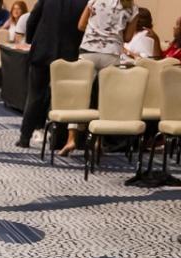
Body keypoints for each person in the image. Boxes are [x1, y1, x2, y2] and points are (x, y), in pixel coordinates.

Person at [59, 0, 139, 155]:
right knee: (105, 99)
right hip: (112, 54)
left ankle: (71, 139)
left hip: (89, 50)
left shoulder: (94, 0)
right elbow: (128, 37)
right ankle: (98, 141)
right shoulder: (132, 7)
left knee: (79, 96)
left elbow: (81, 25)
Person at [15, 0, 87, 148]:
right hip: (69, 54)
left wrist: (32, 40)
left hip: (42, 52)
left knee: (35, 95)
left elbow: (32, 20)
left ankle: (25, 137)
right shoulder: (84, 2)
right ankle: (58, 141)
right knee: (63, 99)